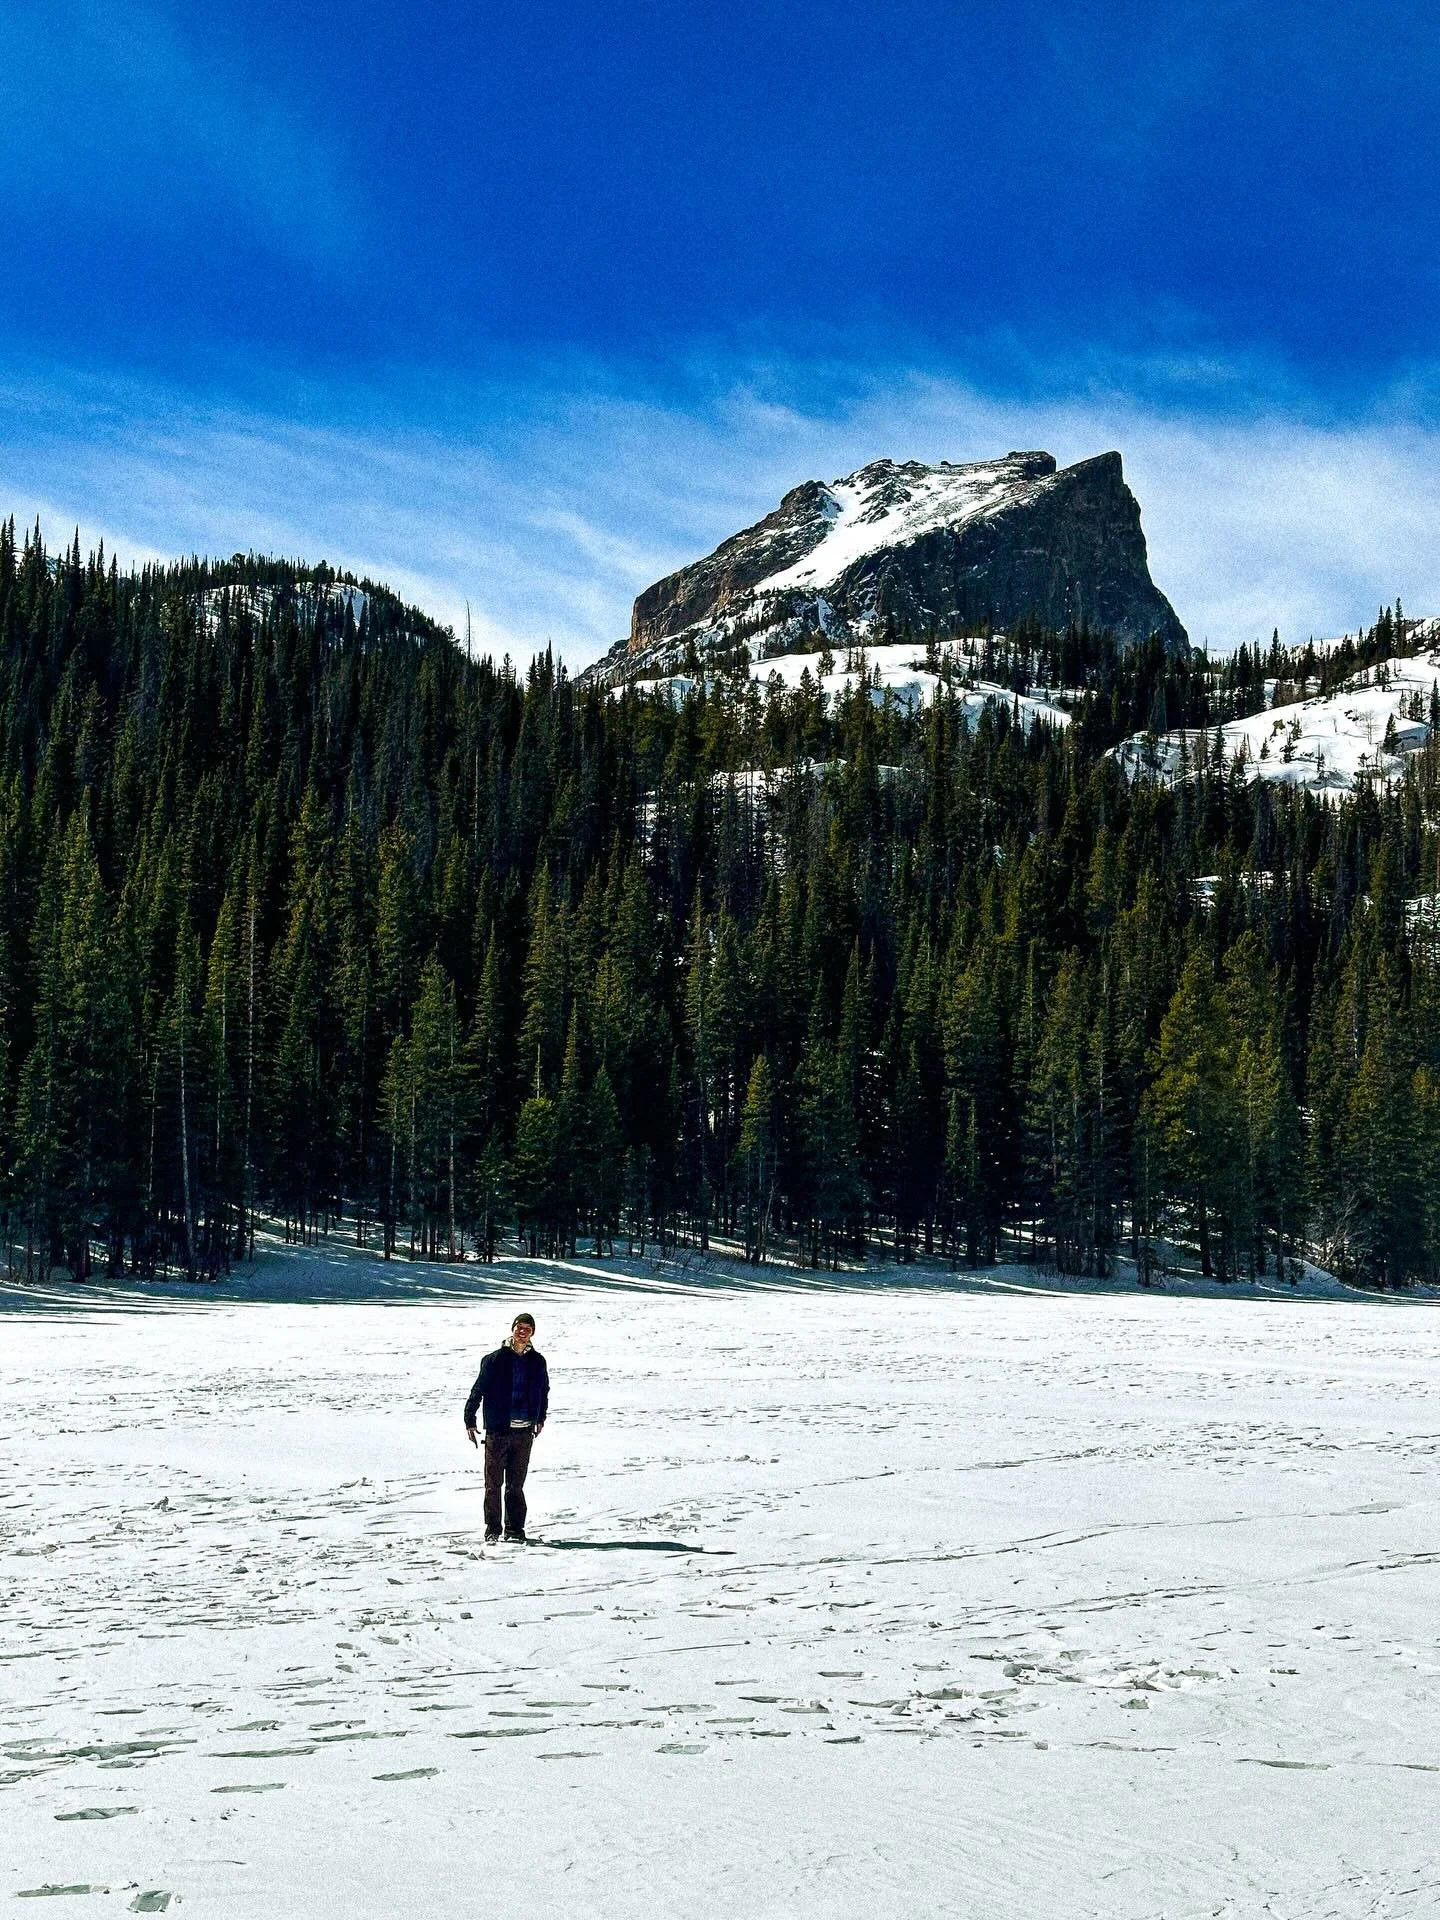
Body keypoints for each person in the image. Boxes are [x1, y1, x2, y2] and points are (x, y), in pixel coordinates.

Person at [464, 1313, 549, 1544]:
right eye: (520, 1327)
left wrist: (540, 1417)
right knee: (493, 1485)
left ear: (532, 1333)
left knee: (516, 1485)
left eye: (528, 1329)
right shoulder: (494, 1359)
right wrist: (469, 1418)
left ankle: (514, 1530)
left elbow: (544, 1391)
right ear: (512, 1329)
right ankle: (493, 1529)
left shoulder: (537, 1361)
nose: (523, 1332)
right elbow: (478, 1389)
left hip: (524, 1432)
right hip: (498, 1431)